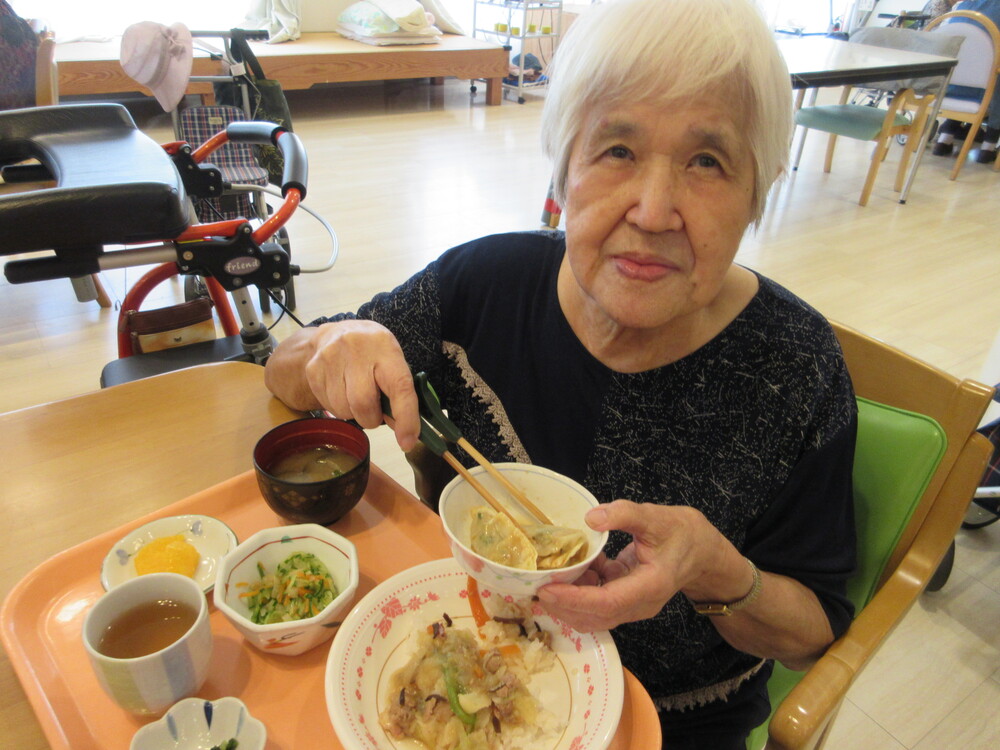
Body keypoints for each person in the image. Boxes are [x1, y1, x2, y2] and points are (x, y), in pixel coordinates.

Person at [264, 0, 857, 747]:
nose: (653, 208)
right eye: (617, 149)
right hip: (463, 663)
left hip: (669, 721)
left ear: (757, 195)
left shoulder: (795, 368)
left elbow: (812, 634)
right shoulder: (484, 284)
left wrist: (712, 570)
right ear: (562, 170)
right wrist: (333, 343)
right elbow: (289, 372)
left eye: (708, 161)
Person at [931, 0, 1000, 163]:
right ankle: (988, 146)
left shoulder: (961, 7)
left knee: (970, 71)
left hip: (948, 89)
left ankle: (945, 137)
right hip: (986, 93)